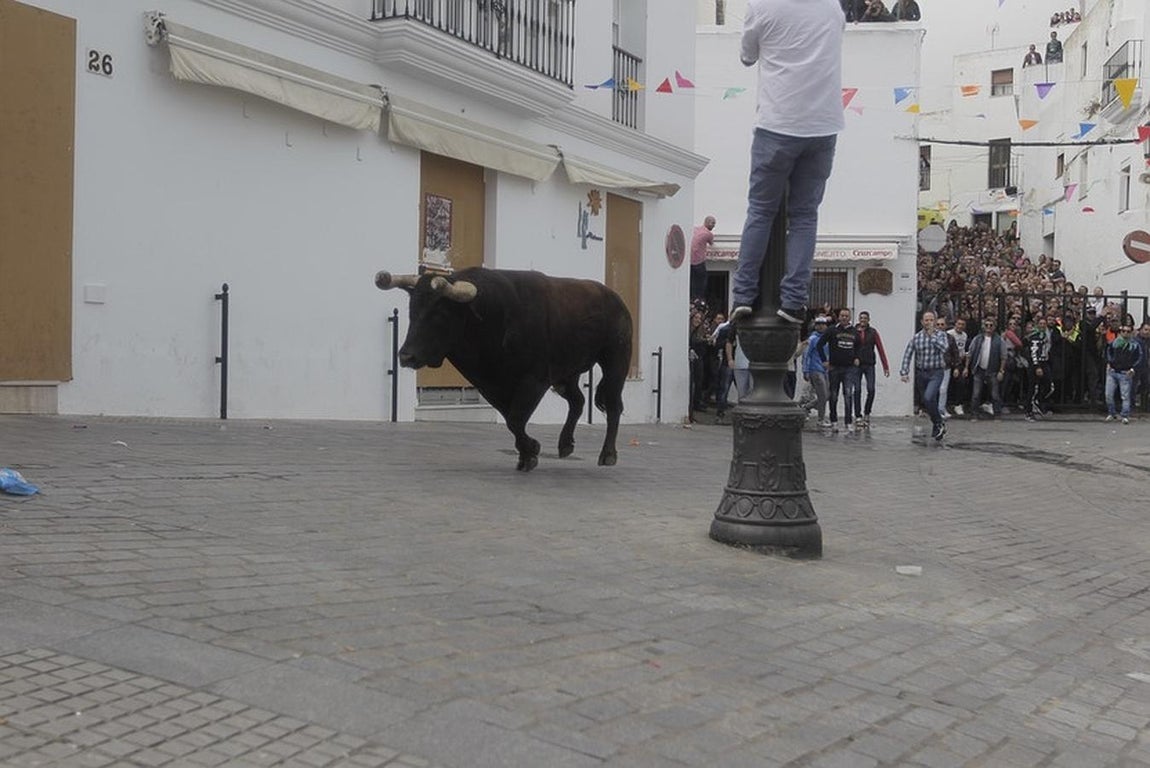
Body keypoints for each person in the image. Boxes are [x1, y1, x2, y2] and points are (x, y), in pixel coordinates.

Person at [729, 0, 844, 326]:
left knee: (760, 211)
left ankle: (743, 295)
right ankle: (793, 302)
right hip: (823, 125)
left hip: (777, 124)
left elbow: (747, 56)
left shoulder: (761, 6)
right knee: (804, 216)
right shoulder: (832, 6)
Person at [900, 311, 951, 441]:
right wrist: (904, 372)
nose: (929, 323)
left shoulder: (941, 335)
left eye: (931, 320)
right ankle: (937, 423)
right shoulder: (917, 337)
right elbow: (908, 353)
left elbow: (944, 348)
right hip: (922, 373)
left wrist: (932, 336)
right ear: (922, 322)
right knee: (927, 401)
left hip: (936, 372)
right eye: (926, 320)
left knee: (929, 397)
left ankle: (938, 422)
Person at [816, 307, 860, 432]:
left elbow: (859, 347)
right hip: (834, 368)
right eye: (842, 315)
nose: (844, 318)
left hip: (849, 369)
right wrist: (824, 360)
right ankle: (834, 421)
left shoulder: (854, 331)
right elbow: (819, 345)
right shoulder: (832, 330)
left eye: (846, 316)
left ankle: (848, 422)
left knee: (848, 395)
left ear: (850, 318)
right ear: (839, 317)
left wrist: (857, 357)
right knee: (834, 395)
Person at [852, 310, 890, 428]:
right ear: (859, 319)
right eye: (861, 318)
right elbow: (849, 347)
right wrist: (853, 358)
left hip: (869, 364)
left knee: (871, 389)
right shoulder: (853, 331)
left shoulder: (873, 332)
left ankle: (867, 412)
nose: (863, 320)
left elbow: (880, 348)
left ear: (868, 320)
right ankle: (858, 415)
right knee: (857, 390)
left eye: (865, 318)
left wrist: (885, 366)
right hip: (857, 365)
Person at [965, 318, 1007, 418]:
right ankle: (974, 414)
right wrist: (966, 367)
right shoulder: (977, 339)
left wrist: (1001, 371)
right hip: (979, 369)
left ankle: (997, 414)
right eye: (986, 325)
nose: (988, 327)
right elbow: (969, 354)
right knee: (976, 394)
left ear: (994, 327)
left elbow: (1003, 357)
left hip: (993, 370)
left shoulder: (999, 340)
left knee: (995, 394)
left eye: (991, 325)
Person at [1104, 323, 1142, 424]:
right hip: (1113, 371)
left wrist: (1133, 369)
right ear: (1120, 332)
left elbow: (1139, 358)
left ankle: (1124, 415)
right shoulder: (1114, 343)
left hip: (1125, 372)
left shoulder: (1135, 345)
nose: (1125, 333)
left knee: (1125, 396)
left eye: (1128, 331)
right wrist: (1109, 362)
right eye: (1123, 331)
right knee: (1108, 394)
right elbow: (1108, 352)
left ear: (1131, 333)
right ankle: (1112, 413)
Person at [799, 316, 831, 427]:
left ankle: (806, 407)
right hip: (815, 369)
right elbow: (806, 355)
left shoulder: (827, 338)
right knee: (823, 395)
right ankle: (821, 419)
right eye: (818, 324)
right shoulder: (812, 339)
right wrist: (805, 370)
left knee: (827, 395)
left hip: (825, 370)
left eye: (823, 324)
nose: (821, 326)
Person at [690, 216, 715, 302]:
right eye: (713, 223)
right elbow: (712, 244)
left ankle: (692, 297)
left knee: (692, 280)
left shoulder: (695, 229)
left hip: (689, 260)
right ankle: (699, 298)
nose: (714, 226)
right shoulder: (708, 234)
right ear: (707, 222)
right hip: (698, 261)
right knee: (702, 280)